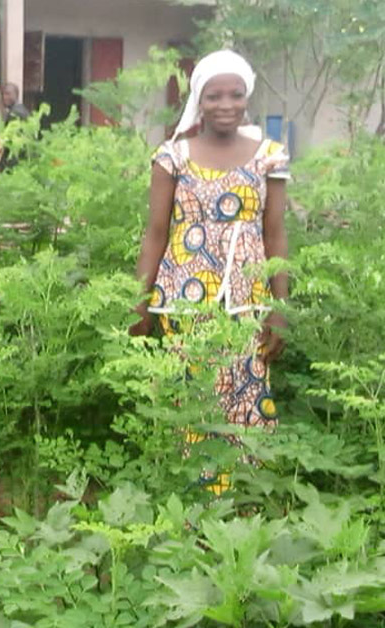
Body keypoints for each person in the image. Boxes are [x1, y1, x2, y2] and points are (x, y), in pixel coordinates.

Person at [129, 50, 290, 495]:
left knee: (244, 398)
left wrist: (278, 308)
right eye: (214, 95)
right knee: (191, 396)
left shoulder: (269, 157)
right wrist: (137, 302)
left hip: (247, 302)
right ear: (199, 99)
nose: (226, 104)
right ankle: (191, 505)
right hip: (183, 301)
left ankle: (241, 501)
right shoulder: (172, 157)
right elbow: (155, 234)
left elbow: (275, 236)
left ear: (246, 98)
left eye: (235, 94)